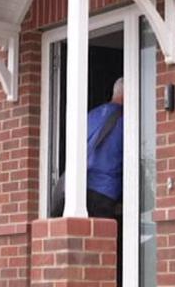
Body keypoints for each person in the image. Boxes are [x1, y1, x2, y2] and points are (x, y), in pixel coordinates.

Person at [51, 77, 124, 219]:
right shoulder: (127, 119)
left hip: (80, 187)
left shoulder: (91, 116)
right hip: (105, 190)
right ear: (127, 94)